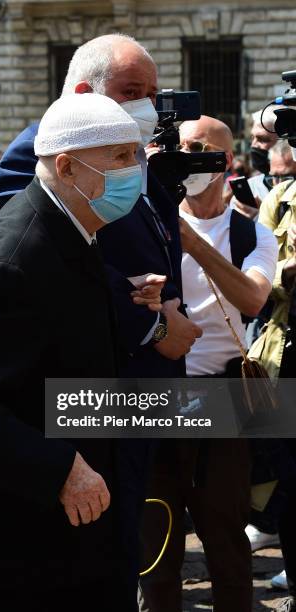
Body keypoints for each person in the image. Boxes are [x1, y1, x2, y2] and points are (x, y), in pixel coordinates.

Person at [0, 92, 163, 611]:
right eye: (121, 157)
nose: (135, 170)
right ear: (66, 166)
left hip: (63, 537)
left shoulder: (72, 227)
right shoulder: (21, 253)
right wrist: (61, 468)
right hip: (15, 547)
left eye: (136, 154)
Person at [0, 33, 201, 377]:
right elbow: (43, 257)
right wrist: (154, 328)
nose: (146, 108)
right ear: (84, 94)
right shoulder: (35, 153)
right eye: (131, 93)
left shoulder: (133, 153)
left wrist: (166, 309)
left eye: (151, 95)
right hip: (98, 370)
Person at [139, 115, 278, 612]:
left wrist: (192, 241)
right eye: (183, 147)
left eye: (202, 148)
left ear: (226, 163)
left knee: (225, 538)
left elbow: (254, 300)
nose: (190, 157)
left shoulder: (251, 235)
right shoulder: (144, 222)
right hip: (156, 400)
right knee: (156, 542)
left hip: (222, 403)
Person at [252, 172, 296, 612]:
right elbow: (259, 287)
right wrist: (289, 270)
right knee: (287, 481)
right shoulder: (281, 199)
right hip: (284, 359)